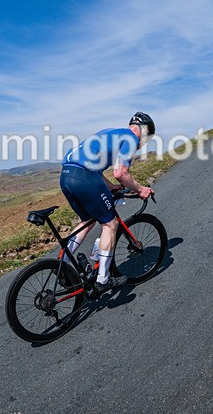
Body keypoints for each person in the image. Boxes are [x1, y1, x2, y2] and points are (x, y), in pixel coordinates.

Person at [60, 112, 155, 292]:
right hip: (85, 177)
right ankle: (103, 279)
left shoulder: (110, 132)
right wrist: (141, 189)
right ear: (144, 132)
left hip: (66, 175)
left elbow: (90, 162)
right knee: (110, 224)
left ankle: (62, 263)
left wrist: (110, 186)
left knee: (87, 220)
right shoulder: (130, 139)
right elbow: (120, 173)